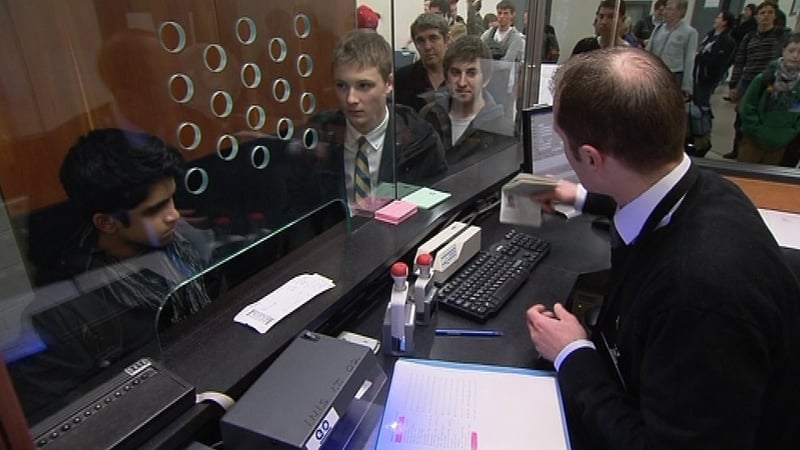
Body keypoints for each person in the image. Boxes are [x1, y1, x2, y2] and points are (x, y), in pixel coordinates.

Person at [526, 46, 800, 450]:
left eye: (563, 141)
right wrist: (581, 195)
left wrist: (572, 355)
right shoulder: (712, 189)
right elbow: (645, 196)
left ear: (589, 157)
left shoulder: (698, 295)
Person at [11, 128, 213, 422]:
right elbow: (61, 422)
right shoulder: (64, 313)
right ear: (106, 223)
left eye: (171, 199)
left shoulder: (184, 244)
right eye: (155, 209)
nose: (174, 215)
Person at [288, 29, 446, 216]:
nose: (351, 99)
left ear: (388, 84)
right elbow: (299, 211)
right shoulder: (319, 136)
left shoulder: (419, 140)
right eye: (342, 86)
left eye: (364, 86)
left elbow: (433, 215)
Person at [418, 35, 514, 167]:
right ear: (446, 77)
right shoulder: (429, 116)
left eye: (471, 73)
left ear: (486, 79)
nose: (462, 83)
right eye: (456, 73)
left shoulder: (501, 129)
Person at [725, 1, 785, 159]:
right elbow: (740, 60)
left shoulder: (780, 36)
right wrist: (734, 84)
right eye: (762, 13)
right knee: (741, 117)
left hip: (770, 83)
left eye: (770, 12)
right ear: (757, 16)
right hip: (748, 81)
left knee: (764, 115)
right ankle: (737, 150)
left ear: (775, 16)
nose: (765, 16)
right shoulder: (749, 37)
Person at [737, 33, 800, 165]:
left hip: (780, 142)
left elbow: (796, 112)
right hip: (754, 140)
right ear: (783, 51)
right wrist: (756, 130)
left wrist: (789, 132)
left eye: (799, 52)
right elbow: (748, 106)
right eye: (791, 50)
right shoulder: (765, 78)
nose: (795, 56)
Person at [690, 10, 737, 156]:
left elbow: (718, 62)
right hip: (697, 74)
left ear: (725, 22)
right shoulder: (711, 34)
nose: (716, 19)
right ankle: (694, 133)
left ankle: (703, 136)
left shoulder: (727, 41)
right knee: (695, 104)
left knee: (703, 107)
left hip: (707, 77)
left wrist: (703, 57)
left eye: (719, 17)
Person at [394, 13, 450, 112]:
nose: (427, 46)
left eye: (433, 38)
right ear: (415, 44)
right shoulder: (402, 79)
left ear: (447, 39)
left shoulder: (461, 78)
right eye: (421, 40)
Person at [479, 1, 524, 118]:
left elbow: (506, 63)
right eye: (499, 13)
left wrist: (487, 64)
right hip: (487, 83)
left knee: (502, 116)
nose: (502, 17)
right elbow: (478, 52)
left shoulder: (516, 38)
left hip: (506, 86)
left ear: (512, 15)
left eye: (505, 13)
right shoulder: (488, 34)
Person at [646, 0, 698, 98]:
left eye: (669, 9)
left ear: (680, 12)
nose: (664, 11)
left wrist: (686, 86)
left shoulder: (690, 33)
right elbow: (648, 51)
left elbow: (689, 60)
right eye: (665, 8)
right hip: (655, 73)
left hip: (673, 75)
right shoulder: (658, 28)